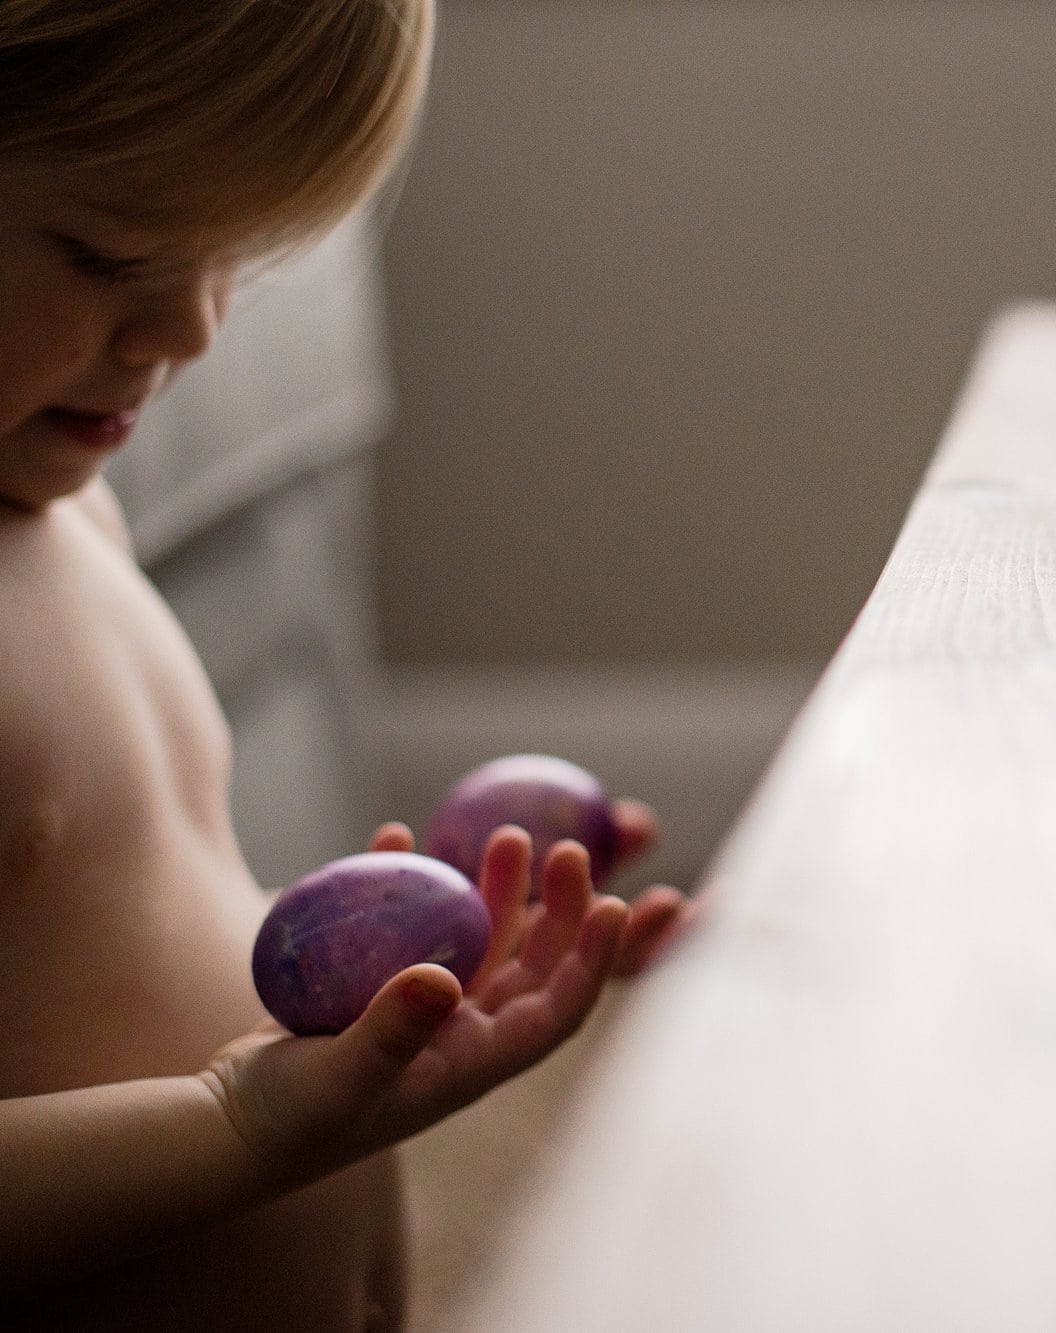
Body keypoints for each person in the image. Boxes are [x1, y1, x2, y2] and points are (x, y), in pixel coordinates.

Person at [0, 2, 690, 1324]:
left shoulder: (66, 503)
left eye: (236, 257)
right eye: (109, 251)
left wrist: (395, 981)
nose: (192, 327)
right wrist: (232, 1126)